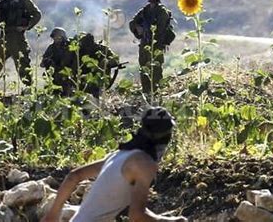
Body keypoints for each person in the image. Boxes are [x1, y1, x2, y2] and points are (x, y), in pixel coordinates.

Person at [42, 106, 188, 222]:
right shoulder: (145, 164)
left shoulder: (119, 156)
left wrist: (53, 214)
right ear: (167, 135)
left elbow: (74, 176)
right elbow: (137, 217)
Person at [0, 0, 42, 93]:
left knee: (23, 64)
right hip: (4, 36)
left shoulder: (24, 0)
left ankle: (29, 88)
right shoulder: (3, 1)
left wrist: (27, 26)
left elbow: (37, 14)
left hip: (17, 37)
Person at [129, 0, 171, 94]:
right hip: (144, 45)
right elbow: (132, 23)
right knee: (144, 69)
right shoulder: (144, 10)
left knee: (156, 71)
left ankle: (156, 93)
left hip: (156, 45)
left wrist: (157, 39)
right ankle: (146, 93)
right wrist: (139, 28)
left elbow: (162, 30)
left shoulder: (162, 11)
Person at [76, 33, 119, 98]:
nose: (88, 47)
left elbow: (115, 59)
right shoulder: (79, 51)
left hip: (100, 78)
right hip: (84, 79)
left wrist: (106, 63)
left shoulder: (102, 49)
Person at [40, 27, 75, 96]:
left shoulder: (69, 47)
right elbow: (42, 63)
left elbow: (70, 62)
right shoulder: (51, 47)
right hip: (54, 74)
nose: (55, 38)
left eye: (58, 37)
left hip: (67, 74)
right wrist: (48, 62)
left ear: (62, 37)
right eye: (54, 37)